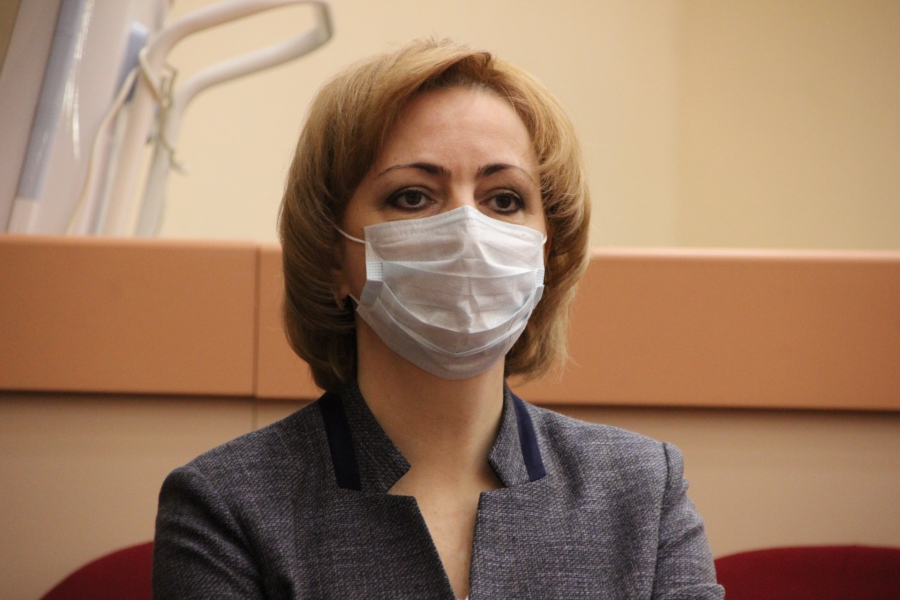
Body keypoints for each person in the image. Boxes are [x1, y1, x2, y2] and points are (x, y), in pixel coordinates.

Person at [153, 38, 724, 600]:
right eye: (413, 197)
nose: (467, 232)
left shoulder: (641, 491)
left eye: (504, 199)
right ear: (331, 254)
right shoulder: (227, 507)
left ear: (547, 250)